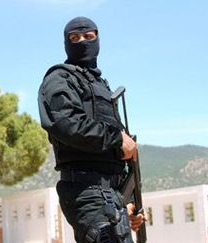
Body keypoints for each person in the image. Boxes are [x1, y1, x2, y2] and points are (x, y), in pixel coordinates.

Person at [38, 16, 145, 243]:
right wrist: (115, 137)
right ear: (66, 43)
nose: (83, 41)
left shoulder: (101, 86)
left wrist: (126, 203)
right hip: (87, 190)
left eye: (89, 36)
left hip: (110, 196)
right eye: (74, 38)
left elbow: (113, 153)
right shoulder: (59, 78)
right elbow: (65, 123)